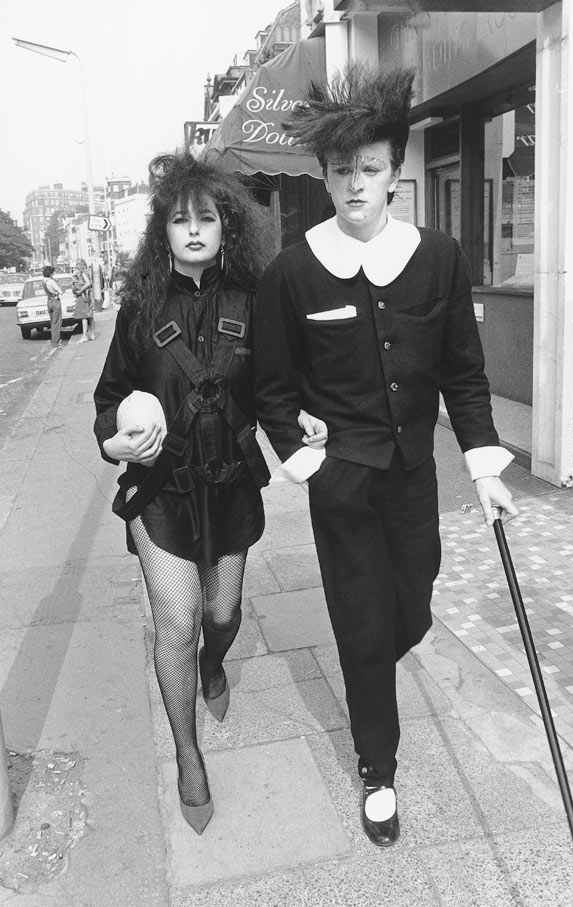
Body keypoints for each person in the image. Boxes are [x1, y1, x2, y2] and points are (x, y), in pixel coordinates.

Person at [254, 64, 519, 848]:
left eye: (370, 167)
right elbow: (270, 389)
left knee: (412, 601)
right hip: (341, 484)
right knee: (363, 628)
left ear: (395, 170)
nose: (356, 183)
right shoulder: (292, 271)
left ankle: (379, 653)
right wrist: (306, 466)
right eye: (341, 170)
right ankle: (379, 768)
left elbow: (465, 374)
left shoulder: (438, 256)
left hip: (414, 483)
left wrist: (484, 469)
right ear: (326, 176)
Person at [93, 151, 325, 836]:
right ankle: (187, 751)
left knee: (222, 616)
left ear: (227, 227)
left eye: (206, 218)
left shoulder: (255, 304)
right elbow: (108, 402)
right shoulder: (139, 309)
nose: (192, 230)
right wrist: (114, 442)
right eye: (178, 219)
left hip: (229, 486)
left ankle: (216, 663)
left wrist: (306, 420)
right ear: (162, 231)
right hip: (159, 490)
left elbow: (282, 390)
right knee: (178, 620)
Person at [72, 258, 95, 342]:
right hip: (87, 295)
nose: (76, 267)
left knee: (84, 316)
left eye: (77, 265)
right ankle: (92, 333)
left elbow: (88, 283)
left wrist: (80, 290)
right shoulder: (87, 272)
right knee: (90, 316)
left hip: (83, 296)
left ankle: (84, 335)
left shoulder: (83, 273)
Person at [42, 265, 63, 347]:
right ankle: (56, 341)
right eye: (52, 273)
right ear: (50, 273)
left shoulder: (44, 281)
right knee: (57, 322)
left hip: (49, 301)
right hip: (55, 301)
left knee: (52, 322)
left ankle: (53, 339)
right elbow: (60, 291)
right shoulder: (51, 282)